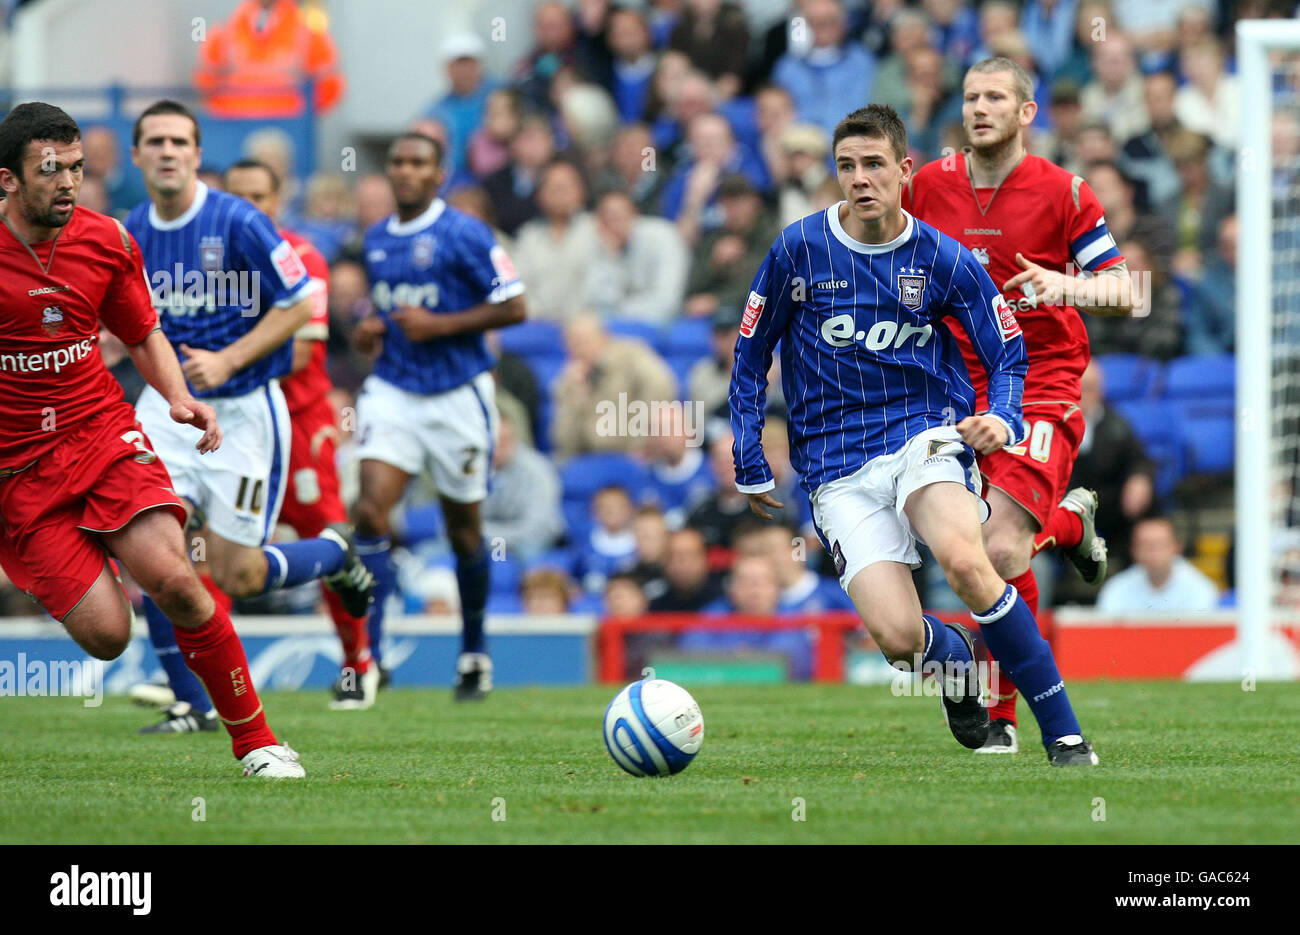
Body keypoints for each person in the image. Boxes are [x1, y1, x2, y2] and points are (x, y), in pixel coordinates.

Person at [732, 102, 1098, 764]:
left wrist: (1005, 415)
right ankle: (955, 661)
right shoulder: (797, 248)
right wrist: (750, 454)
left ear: (905, 170)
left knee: (967, 559)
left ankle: (1065, 733)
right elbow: (751, 352)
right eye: (846, 167)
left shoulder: (946, 259)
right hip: (835, 466)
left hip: (922, 437)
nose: (860, 179)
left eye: (874, 165)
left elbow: (1007, 353)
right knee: (900, 639)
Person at [0, 102, 301, 777]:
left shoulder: (106, 239)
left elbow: (141, 333)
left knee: (176, 579)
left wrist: (180, 398)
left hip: (101, 433)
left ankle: (257, 743)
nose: (69, 183)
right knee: (108, 636)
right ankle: (84, 551)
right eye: (52, 170)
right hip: (18, 470)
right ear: (8, 180)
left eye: (77, 168)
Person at [125, 100, 374, 735]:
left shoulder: (237, 219)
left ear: (197, 153)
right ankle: (192, 704)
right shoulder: (129, 232)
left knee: (241, 573)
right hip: (168, 404)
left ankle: (336, 556)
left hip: (245, 411)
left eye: (179, 140)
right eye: (155, 141)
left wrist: (230, 359)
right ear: (138, 156)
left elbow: (301, 304)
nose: (167, 151)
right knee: (155, 548)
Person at [906, 57, 1132, 754]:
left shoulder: (1064, 191)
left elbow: (1122, 289)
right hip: (955, 385)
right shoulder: (929, 187)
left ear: (1026, 113)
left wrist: (1065, 288)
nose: (980, 107)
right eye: (971, 96)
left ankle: (1017, 716)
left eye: (996, 97)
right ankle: (1067, 526)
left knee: (998, 546)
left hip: (1042, 380)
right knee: (988, 556)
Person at [352, 132, 526, 700]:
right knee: (370, 511)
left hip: (457, 394)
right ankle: (369, 659)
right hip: (395, 390)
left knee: (464, 530)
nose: (404, 171)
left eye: (417, 163)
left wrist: (441, 325)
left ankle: (474, 651)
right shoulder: (376, 239)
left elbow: (516, 305)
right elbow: (390, 308)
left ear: (438, 173)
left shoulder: (465, 232)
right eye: (397, 161)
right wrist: (373, 328)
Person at [223, 158, 376, 710]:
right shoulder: (211, 262)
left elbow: (304, 350)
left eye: (260, 196)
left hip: (299, 421)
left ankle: (358, 662)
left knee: (329, 534)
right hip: (237, 419)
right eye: (237, 197)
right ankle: (194, 689)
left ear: (278, 199)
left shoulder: (304, 258)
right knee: (209, 538)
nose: (249, 208)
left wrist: (221, 362)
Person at [194, 0, 344, 119]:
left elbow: (330, 85)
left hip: (288, 132)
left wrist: (302, 118)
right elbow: (205, 80)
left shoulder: (307, 32)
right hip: (234, 129)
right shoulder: (225, 30)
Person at [1096, 517, 1219, 614]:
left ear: (1177, 546)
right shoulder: (1116, 588)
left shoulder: (1200, 588)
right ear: (1133, 550)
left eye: (1160, 544)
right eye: (1145, 545)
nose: (1153, 552)